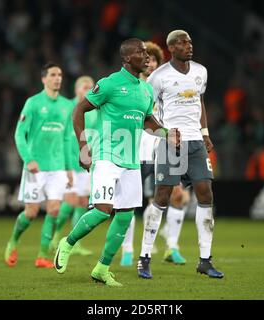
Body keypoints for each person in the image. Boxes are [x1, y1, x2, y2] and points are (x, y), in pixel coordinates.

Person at [53, 38, 180, 286]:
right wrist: (83, 146)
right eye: (140, 53)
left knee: (125, 216)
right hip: (107, 156)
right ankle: (67, 243)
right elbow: (79, 110)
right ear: (127, 59)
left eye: (146, 53)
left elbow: (147, 121)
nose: (146, 57)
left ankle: (102, 268)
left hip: (131, 161)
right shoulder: (110, 83)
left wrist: (167, 133)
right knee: (103, 210)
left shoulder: (146, 90)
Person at [137, 30, 224, 279]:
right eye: (183, 42)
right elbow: (147, 111)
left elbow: (200, 102)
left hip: (196, 141)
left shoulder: (201, 71)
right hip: (171, 141)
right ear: (171, 47)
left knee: (205, 192)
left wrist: (205, 131)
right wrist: (165, 133)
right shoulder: (158, 76)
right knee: (162, 196)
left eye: (190, 42)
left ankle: (205, 260)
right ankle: (144, 257)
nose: (189, 46)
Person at [120, 41, 190, 266]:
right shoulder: (131, 90)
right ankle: (128, 250)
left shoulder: (168, 90)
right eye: (146, 60)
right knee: (128, 204)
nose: (150, 65)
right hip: (134, 152)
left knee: (177, 196)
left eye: (154, 61)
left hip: (162, 151)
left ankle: (172, 247)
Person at [4, 62, 73, 268]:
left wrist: (69, 167)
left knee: (53, 210)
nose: (57, 78)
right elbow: (19, 133)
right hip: (37, 167)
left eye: (60, 74)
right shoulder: (33, 103)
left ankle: (42, 256)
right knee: (31, 212)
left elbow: (68, 139)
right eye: (53, 74)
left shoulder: (67, 105)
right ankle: (13, 241)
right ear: (44, 79)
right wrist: (28, 159)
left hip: (58, 166)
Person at [50, 76, 97, 256]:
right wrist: (66, 164)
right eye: (85, 87)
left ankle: (74, 242)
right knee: (70, 201)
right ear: (77, 90)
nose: (88, 90)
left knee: (83, 202)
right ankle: (54, 237)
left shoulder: (93, 110)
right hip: (69, 163)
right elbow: (64, 139)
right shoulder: (68, 108)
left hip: (86, 163)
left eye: (91, 87)